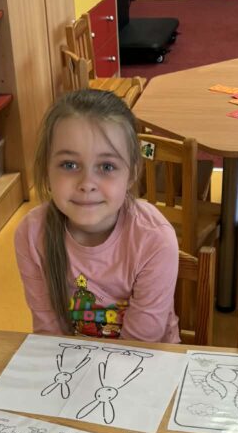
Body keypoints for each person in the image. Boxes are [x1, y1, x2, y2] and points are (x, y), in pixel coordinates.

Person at [14, 89, 180, 342]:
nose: (87, 184)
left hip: (145, 357)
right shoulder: (31, 234)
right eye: (69, 165)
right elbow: (49, 336)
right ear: (47, 170)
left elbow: (140, 345)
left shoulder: (155, 239)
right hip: (71, 359)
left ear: (132, 173)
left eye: (107, 166)